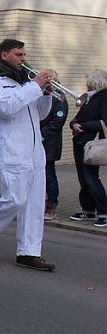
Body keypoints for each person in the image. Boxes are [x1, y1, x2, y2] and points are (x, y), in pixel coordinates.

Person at [0, 39, 55, 271]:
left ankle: (28, 252)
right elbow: (7, 109)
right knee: (14, 199)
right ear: (4, 54)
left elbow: (41, 115)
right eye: (18, 54)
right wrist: (36, 86)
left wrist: (46, 94)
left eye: (24, 54)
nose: (23, 58)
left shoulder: (25, 83)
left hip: (35, 150)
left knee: (34, 204)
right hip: (11, 149)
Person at [68, 68, 107, 227]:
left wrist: (82, 125)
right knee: (83, 179)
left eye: (88, 81)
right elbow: (76, 118)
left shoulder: (104, 98)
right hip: (81, 142)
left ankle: (103, 211)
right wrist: (74, 124)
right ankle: (88, 209)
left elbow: (104, 122)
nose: (86, 84)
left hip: (92, 143)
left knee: (91, 178)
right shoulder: (89, 98)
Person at [40, 71, 68, 220]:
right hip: (37, 141)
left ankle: (51, 203)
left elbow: (58, 121)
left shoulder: (60, 98)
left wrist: (41, 134)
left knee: (49, 173)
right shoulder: (40, 94)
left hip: (50, 143)